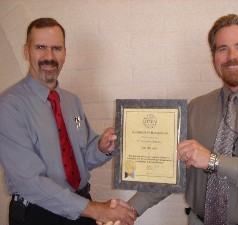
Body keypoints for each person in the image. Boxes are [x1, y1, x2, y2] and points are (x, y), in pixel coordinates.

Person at [126, 14, 238, 225]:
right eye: (222, 49)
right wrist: (131, 209)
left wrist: (214, 161)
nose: (232, 56)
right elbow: (171, 170)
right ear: (214, 58)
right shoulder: (196, 108)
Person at [0, 18, 136, 225]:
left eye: (56, 48)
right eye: (40, 48)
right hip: (38, 214)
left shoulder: (72, 101)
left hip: (80, 207)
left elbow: (81, 159)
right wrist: (95, 210)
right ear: (27, 52)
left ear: (65, 53)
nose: (49, 56)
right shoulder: (9, 106)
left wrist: (101, 148)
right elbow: (30, 182)